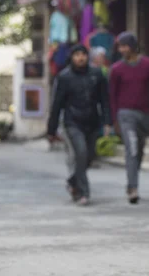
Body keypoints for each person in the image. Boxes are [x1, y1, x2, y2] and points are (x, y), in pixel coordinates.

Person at [47, 44, 112, 206]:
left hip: (92, 121)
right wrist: (52, 129)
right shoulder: (64, 77)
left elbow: (105, 100)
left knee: (89, 157)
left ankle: (73, 181)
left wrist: (107, 122)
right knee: (80, 153)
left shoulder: (97, 75)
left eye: (83, 54)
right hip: (72, 122)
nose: (80, 58)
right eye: (77, 55)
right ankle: (83, 192)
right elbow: (57, 104)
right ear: (72, 57)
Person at [109, 32, 149, 204]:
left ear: (133, 46)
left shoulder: (148, 64)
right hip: (125, 114)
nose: (122, 49)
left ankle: (132, 180)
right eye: (119, 46)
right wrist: (114, 120)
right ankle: (133, 187)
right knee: (132, 148)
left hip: (144, 114)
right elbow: (112, 96)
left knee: (139, 150)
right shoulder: (116, 69)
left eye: (124, 45)